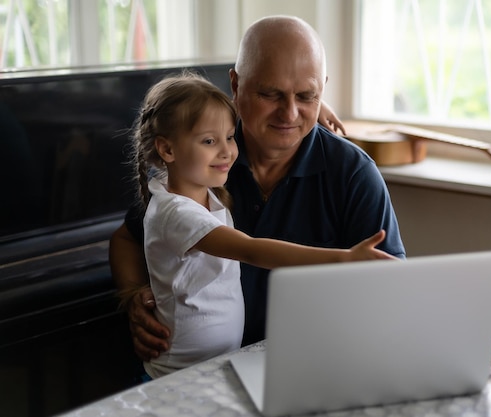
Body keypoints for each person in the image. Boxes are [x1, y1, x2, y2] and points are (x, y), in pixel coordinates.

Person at [109, 15, 406, 363]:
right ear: (235, 85)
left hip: (311, 360)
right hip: (206, 367)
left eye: (307, 96)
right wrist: (132, 295)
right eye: (270, 94)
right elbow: (127, 238)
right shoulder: (205, 156)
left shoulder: (354, 173)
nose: (290, 113)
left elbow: (389, 287)